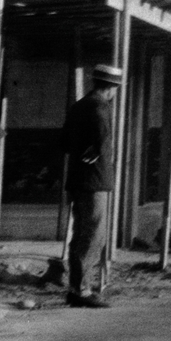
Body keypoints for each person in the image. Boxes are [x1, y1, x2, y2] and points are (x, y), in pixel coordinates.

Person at [61, 64, 122, 308]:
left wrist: (82, 153)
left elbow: (64, 143)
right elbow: (103, 140)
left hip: (77, 180)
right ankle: (81, 290)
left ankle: (76, 287)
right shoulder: (100, 106)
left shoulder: (78, 105)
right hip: (94, 181)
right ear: (113, 87)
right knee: (94, 234)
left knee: (81, 234)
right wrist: (95, 153)